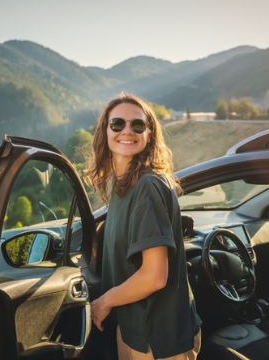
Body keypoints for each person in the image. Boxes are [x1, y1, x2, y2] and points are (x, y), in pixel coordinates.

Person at [85, 93, 201, 360]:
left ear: (149, 135)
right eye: (117, 124)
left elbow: (154, 276)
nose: (128, 131)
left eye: (138, 125)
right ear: (105, 130)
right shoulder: (122, 186)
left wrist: (103, 303)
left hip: (158, 340)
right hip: (135, 330)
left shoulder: (147, 186)